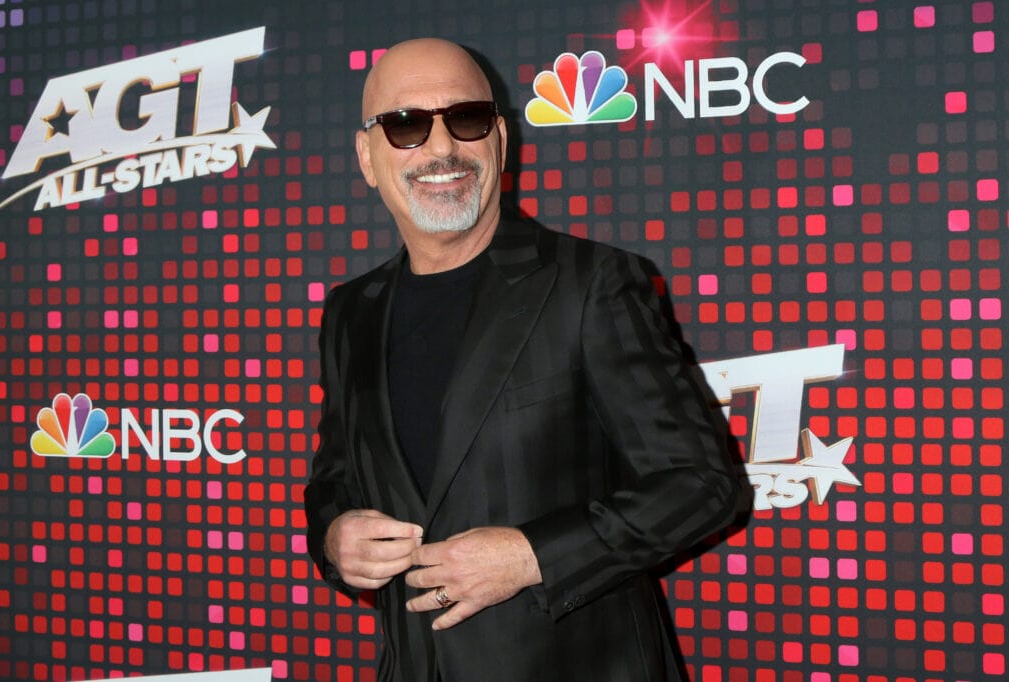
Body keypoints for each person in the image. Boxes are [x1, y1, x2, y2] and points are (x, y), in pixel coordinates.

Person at [304, 37, 740, 682]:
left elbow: (701, 484)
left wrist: (532, 556)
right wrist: (335, 538)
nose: (442, 147)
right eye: (406, 125)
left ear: (500, 139)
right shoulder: (350, 311)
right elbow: (335, 479)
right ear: (368, 157)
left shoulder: (591, 284)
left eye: (467, 118)